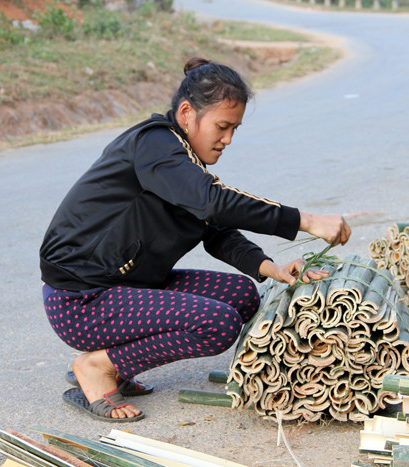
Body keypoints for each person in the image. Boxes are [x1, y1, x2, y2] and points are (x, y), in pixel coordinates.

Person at [39, 57, 352, 422]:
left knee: (242, 296)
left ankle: (113, 362)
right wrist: (306, 220)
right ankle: (99, 367)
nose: (228, 139)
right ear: (187, 112)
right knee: (217, 324)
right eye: (222, 126)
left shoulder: (181, 160)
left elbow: (214, 229)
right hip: (82, 300)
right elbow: (212, 203)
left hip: (125, 288)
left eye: (235, 129)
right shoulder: (154, 145)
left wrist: (272, 268)